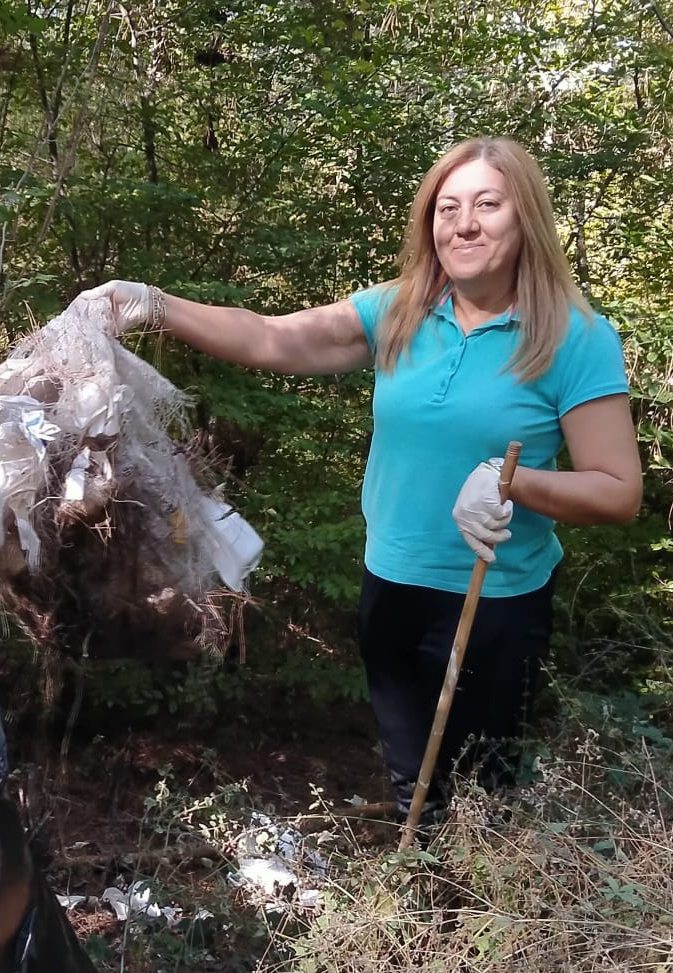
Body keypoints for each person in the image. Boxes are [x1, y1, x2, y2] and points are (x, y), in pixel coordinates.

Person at [80, 136, 641, 816]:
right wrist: (155, 304)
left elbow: (617, 489)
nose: (463, 223)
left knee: (484, 798)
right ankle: (425, 912)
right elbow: (271, 336)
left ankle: (482, 915)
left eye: (487, 205)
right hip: (391, 589)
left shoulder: (574, 336)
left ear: (525, 219)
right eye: (447, 207)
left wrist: (510, 480)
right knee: (414, 787)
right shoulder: (399, 311)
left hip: (493, 604)